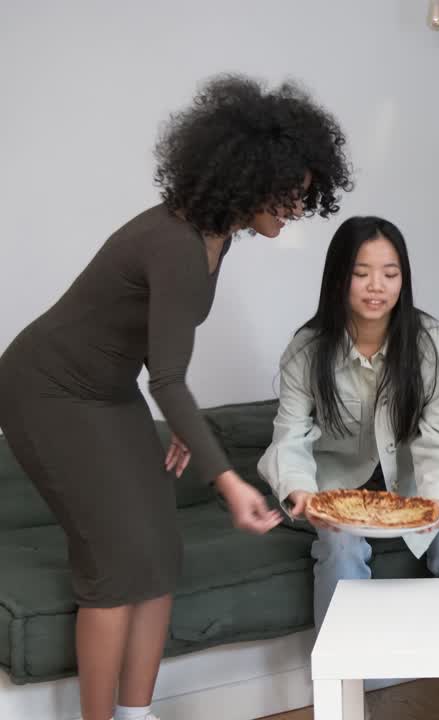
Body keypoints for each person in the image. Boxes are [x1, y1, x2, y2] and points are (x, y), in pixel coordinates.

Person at [0, 74, 352, 720]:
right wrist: (229, 481)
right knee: (114, 565)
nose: (298, 208)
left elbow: (163, 361)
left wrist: (186, 433)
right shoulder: (176, 245)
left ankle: (138, 713)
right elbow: (166, 378)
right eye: (289, 193)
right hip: (45, 392)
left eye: (306, 195)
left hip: (105, 393)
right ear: (247, 176)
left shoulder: (213, 237)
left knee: (160, 550)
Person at [258, 216, 439, 699]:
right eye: (362, 272)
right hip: (337, 486)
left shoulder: (433, 343)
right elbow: (289, 434)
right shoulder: (306, 350)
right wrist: (302, 492)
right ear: (339, 277)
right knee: (339, 549)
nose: (377, 286)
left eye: (390, 274)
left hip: (417, 477)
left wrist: (434, 501)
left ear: (403, 279)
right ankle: (345, 680)